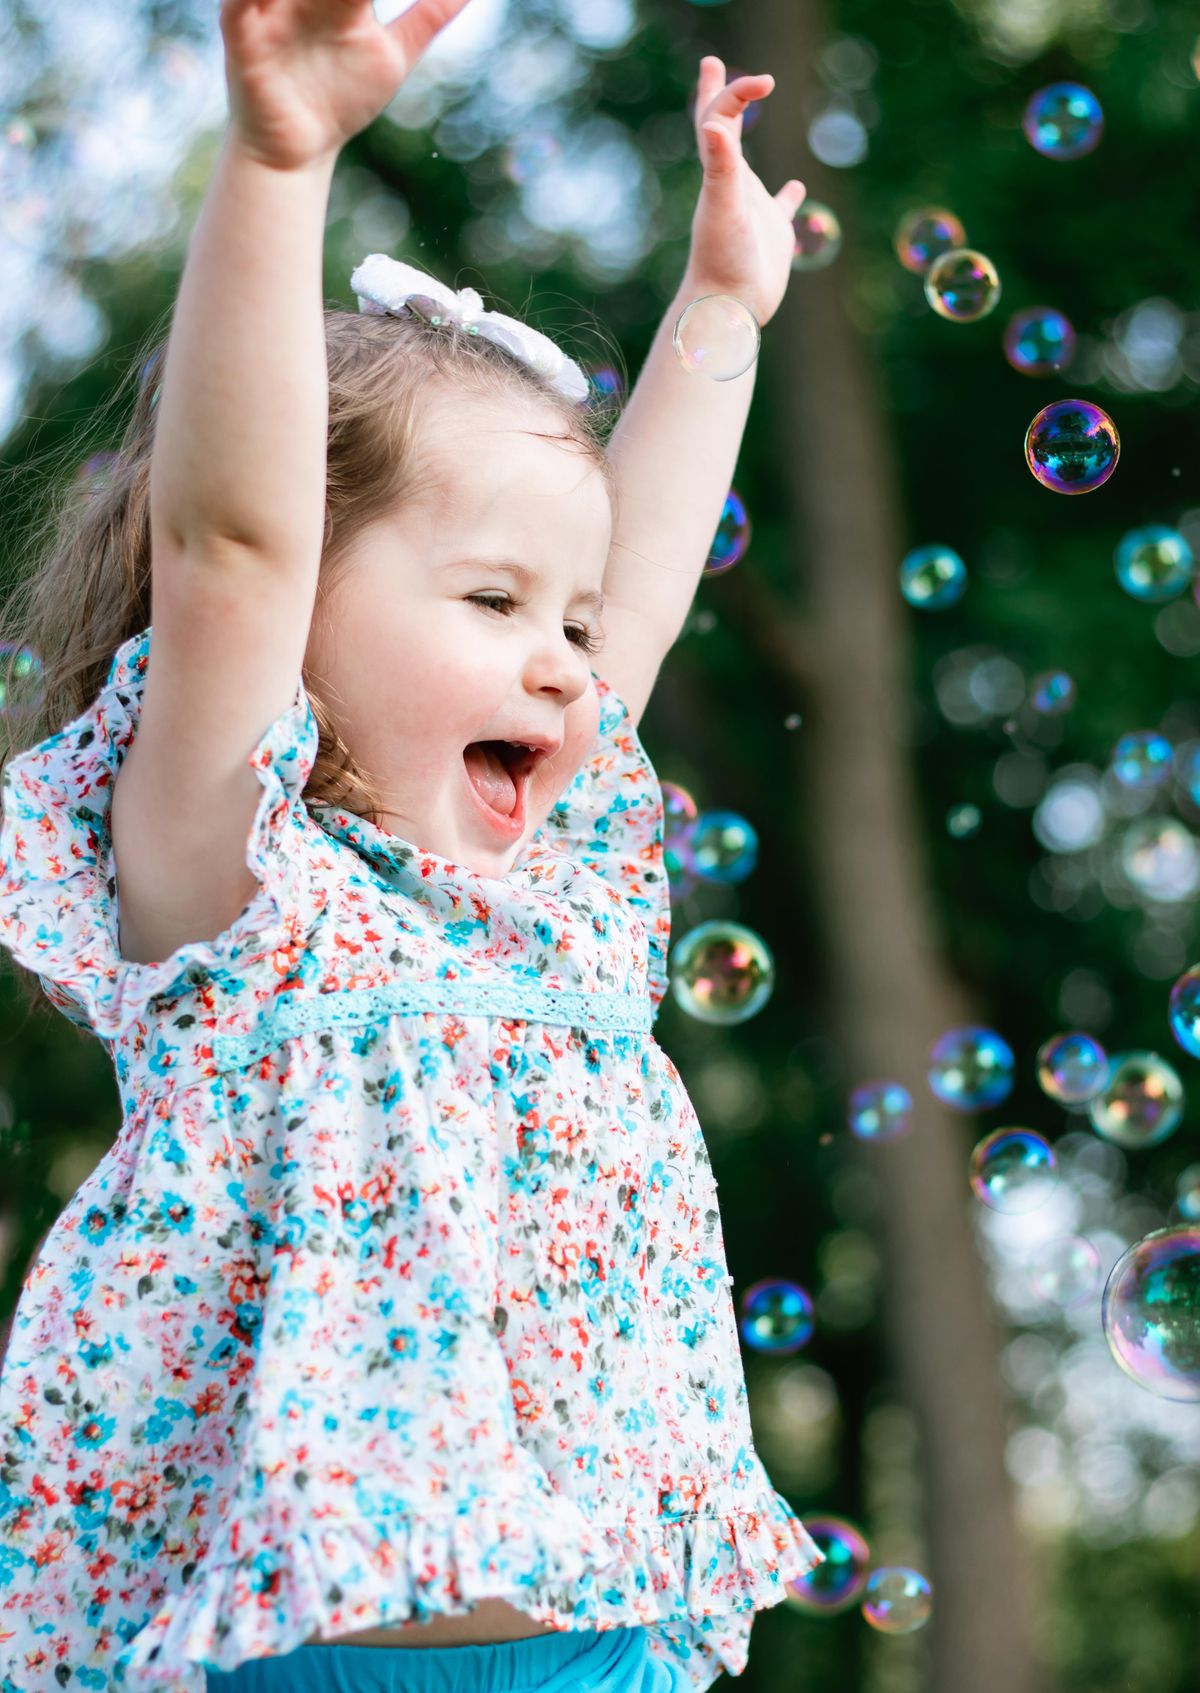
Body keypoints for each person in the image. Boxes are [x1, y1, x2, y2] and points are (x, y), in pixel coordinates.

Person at [0, 0, 821, 1689]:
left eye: (569, 623)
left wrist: (723, 305)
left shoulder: (560, 896)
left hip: (593, 1639)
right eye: (493, 600)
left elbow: (639, 596)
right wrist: (279, 159)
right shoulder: (240, 882)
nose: (564, 663)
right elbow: (227, 540)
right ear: (301, 610)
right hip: (297, 1643)